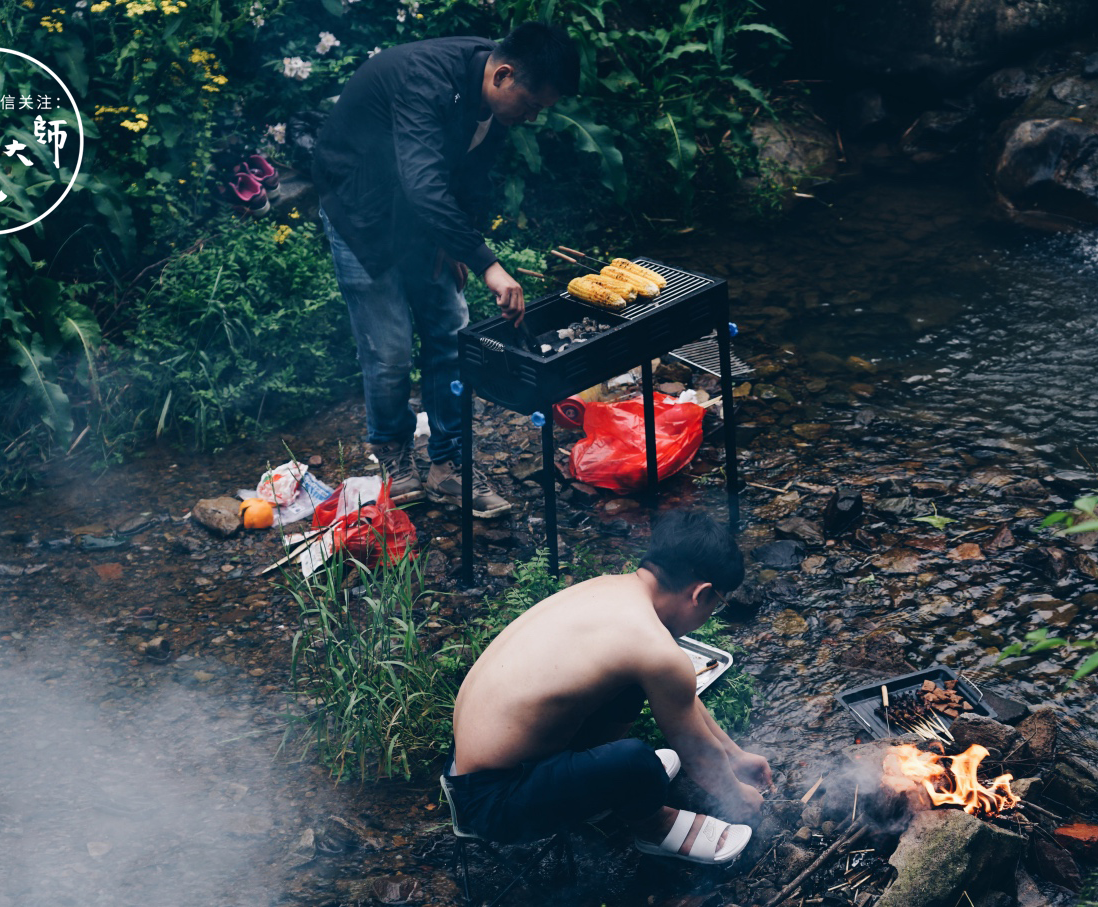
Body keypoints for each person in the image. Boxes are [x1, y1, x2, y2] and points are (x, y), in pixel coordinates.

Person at [313, 22, 579, 518]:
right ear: (503, 75)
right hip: (361, 212)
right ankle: (393, 453)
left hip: (420, 216)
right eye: (531, 104)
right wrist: (488, 266)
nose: (532, 116)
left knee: (451, 330)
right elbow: (423, 185)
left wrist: (459, 241)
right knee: (390, 348)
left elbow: (470, 179)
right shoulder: (425, 81)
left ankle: (449, 464)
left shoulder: (493, 102)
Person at [446, 509, 771, 863]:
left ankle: (604, 785)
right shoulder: (652, 647)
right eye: (718, 605)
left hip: (465, 771)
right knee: (635, 761)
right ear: (701, 594)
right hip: (493, 803)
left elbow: (681, 698)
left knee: (635, 684)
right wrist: (738, 798)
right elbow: (697, 753)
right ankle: (654, 826)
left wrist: (736, 757)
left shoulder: (608, 591)